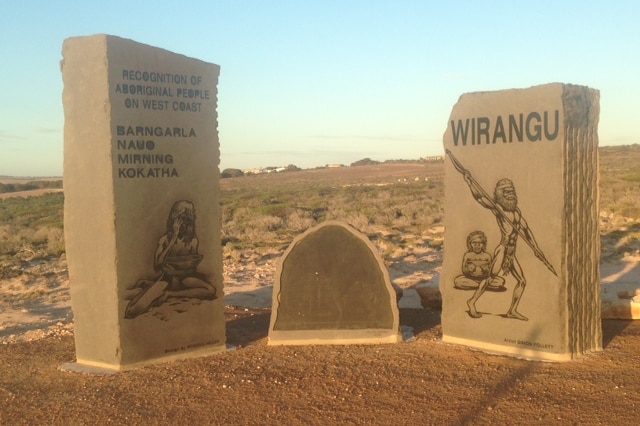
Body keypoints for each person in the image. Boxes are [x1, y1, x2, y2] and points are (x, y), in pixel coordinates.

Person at [462, 176, 546, 321]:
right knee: (491, 277)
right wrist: (470, 182)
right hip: (503, 249)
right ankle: (472, 301)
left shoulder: (517, 212)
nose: (509, 194)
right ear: (500, 194)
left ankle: (512, 311)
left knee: (522, 281)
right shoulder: (499, 209)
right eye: (506, 192)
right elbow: (480, 198)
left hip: (511, 252)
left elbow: (526, 230)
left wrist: (536, 248)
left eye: (511, 191)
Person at [125, 200, 216, 319]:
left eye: (187, 219)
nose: (184, 223)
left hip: (185, 278)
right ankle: (145, 288)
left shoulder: (193, 241)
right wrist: (173, 238)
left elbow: (192, 266)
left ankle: (170, 295)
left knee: (210, 290)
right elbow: (157, 265)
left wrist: (186, 266)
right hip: (167, 279)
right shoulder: (165, 240)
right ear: (174, 220)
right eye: (181, 219)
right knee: (133, 310)